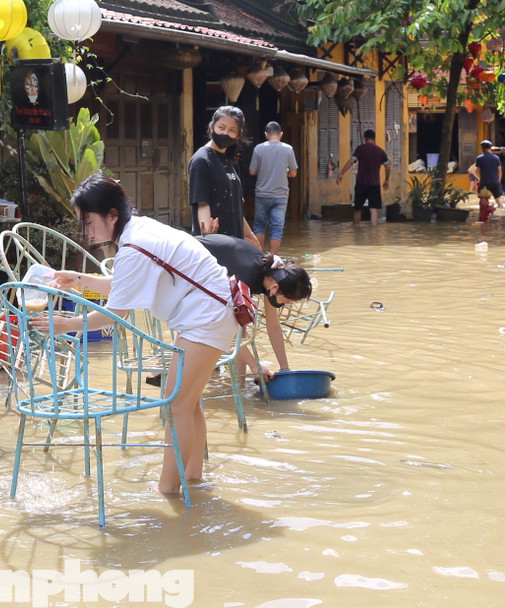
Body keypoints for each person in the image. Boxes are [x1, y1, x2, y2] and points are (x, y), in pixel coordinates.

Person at [43, 175, 239, 496]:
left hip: (208, 314)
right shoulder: (139, 230)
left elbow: (112, 315)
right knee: (188, 404)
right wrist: (79, 279)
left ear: (112, 216)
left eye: (89, 222)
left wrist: (64, 325)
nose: (86, 231)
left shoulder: (133, 246)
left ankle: (168, 492)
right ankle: (193, 480)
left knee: (177, 406)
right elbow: (123, 286)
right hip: (213, 307)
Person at [195, 233, 312, 382]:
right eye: (287, 301)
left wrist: (285, 369)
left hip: (204, 269)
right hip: (183, 263)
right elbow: (229, 334)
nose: (285, 305)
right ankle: (238, 384)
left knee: (240, 327)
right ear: (275, 287)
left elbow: (274, 326)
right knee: (233, 328)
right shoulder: (247, 277)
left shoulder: (270, 275)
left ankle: (239, 385)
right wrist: (254, 365)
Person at [188, 105, 258, 247]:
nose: (225, 133)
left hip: (235, 243)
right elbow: (202, 204)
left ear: (238, 135)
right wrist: (208, 236)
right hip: (216, 243)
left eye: (232, 130)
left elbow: (236, 205)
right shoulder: (202, 160)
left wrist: (250, 236)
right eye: (221, 127)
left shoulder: (230, 160)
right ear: (212, 127)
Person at [248, 121, 297, 255]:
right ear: (281, 134)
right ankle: (272, 258)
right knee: (277, 227)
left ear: (266, 135)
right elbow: (293, 173)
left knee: (259, 226)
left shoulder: (258, 148)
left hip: (262, 195)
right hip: (280, 196)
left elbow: (252, 172)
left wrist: (264, 170)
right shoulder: (288, 149)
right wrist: (283, 171)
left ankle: (259, 256)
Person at [335, 129, 390, 224]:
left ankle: (356, 234)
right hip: (374, 184)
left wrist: (341, 173)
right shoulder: (380, 152)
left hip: (361, 184)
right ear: (374, 138)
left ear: (365, 138)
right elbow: (388, 167)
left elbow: (351, 162)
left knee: (358, 209)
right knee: (373, 209)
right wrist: (387, 180)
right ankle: (374, 234)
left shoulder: (360, 149)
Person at [468, 140, 503, 221]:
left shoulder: (479, 158)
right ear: (490, 148)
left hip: (484, 183)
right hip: (495, 182)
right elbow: (499, 171)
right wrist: (498, 181)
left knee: (483, 203)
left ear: (482, 148)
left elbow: (477, 171)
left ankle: (484, 216)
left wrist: (480, 178)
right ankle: (499, 216)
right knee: (499, 202)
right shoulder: (496, 158)